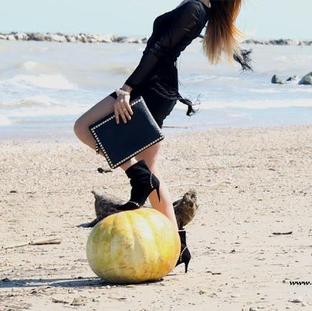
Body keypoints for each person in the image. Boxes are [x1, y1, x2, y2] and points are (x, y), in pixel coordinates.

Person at [73, 0, 243, 273]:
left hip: (150, 88)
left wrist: (126, 88)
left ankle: (135, 174)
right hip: (160, 89)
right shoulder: (199, 9)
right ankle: (177, 247)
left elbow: (159, 50)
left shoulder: (195, 8)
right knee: (150, 173)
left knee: (83, 128)